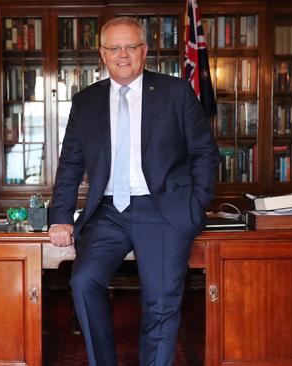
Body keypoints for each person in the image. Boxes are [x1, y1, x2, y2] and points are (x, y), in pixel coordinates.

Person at [48, 16, 219, 366]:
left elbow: (204, 153)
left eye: (130, 46)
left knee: (161, 302)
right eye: (114, 47)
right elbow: (70, 165)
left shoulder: (175, 92)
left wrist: (194, 206)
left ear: (144, 51)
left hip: (163, 210)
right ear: (102, 53)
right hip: (108, 212)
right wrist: (61, 217)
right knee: (83, 281)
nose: (122, 54)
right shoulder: (85, 102)